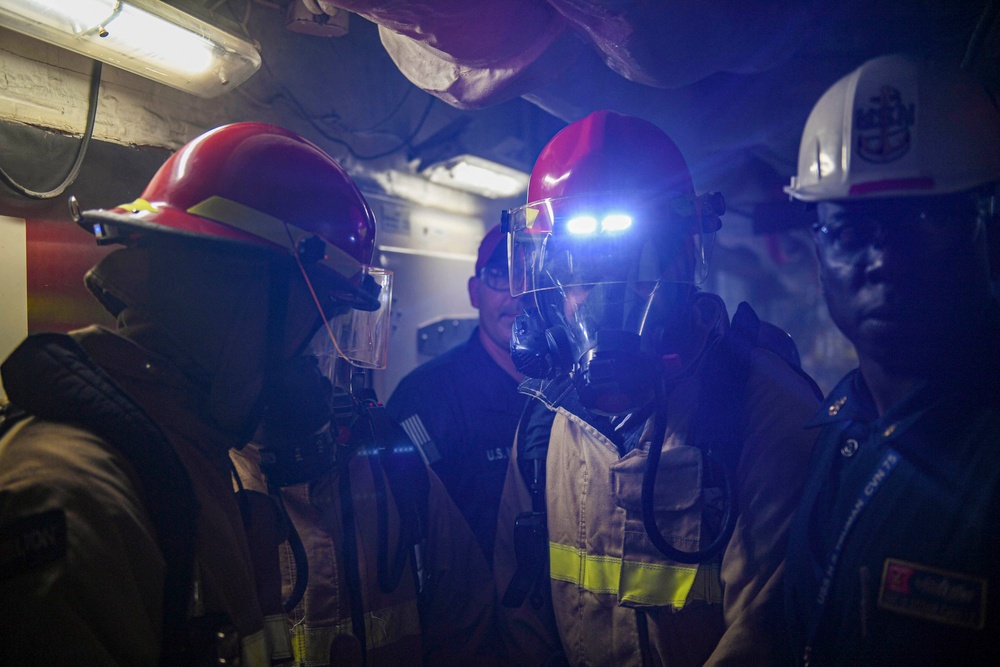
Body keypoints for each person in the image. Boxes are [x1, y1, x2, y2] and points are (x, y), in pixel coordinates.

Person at [0, 122, 389, 666]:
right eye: (313, 335)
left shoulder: (187, 459)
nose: (315, 375)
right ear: (244, 309)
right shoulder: (69, 498)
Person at [492, 109, 823, 666]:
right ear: (547, 284)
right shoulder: (544, 423)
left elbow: (767, 636)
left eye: (635, 268)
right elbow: (518, 617)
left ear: (681, 266)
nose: (603, 299)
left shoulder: (763, 410)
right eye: (578, 272)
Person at [782, 53, 1000, 666]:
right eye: (849, 229)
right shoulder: (842, 426)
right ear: (818, 254)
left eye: (924, 222)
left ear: (988, 228)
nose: (884, 261)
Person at [229, 299, 501, 665]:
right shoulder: (214, 487)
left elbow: (469, 621)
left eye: (319, 343)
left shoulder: (394, 467)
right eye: (298, 344)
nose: (313, 368)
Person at [387, 224, 528, 566]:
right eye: (499, 277)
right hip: (473, 612)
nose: (517, 297)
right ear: (475, 292)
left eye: (527, 279)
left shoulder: (568, 389)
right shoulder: (425, 397)